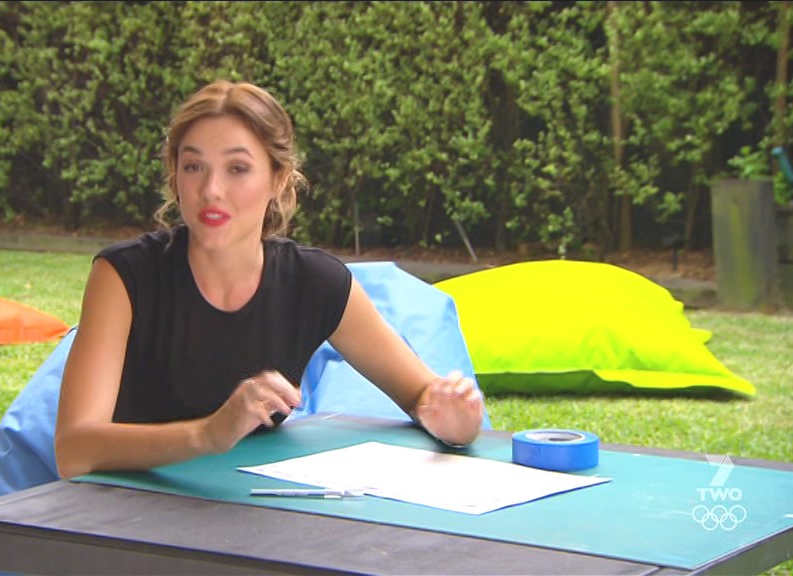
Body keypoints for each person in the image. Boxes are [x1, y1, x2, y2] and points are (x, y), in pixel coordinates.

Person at [54, 80, 482, 477]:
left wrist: (452, 421)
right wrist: (209, 433)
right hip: (129, 510)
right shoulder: (124, 276)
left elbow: (421, 395)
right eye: (194, 166)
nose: (211, 190)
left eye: (237, 168)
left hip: (256, 510)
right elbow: (73, 449)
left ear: (278, 179)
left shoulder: (315, 283)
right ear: (175, 175)